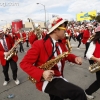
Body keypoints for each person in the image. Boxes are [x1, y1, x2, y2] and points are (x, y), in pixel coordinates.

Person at [20, 17, 87, 100]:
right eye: (64, 28)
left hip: (58, 76)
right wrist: (42, 73)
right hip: (46, 80)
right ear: (55, 30)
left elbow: (66, 55)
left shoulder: (60, 43)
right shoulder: (39, 44)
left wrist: (75, 58)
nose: (66, 31)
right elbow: (24, 63)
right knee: (79, 94)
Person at [85, 26, 100, 99]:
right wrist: (97, 59)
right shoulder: (94, 42)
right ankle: (88, 92)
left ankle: (88, 92)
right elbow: (88, 54)